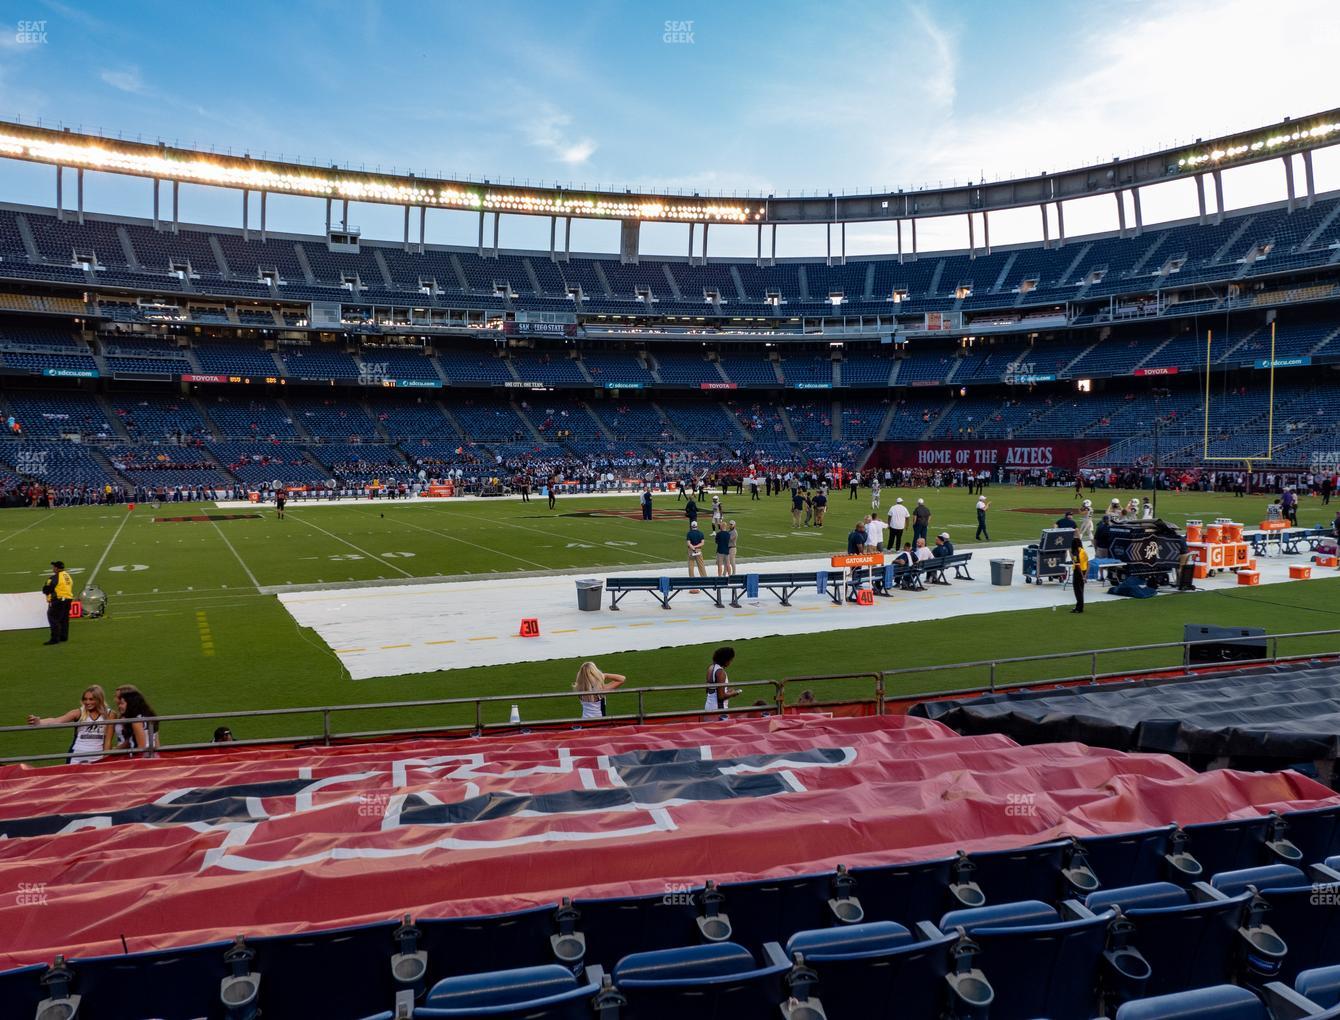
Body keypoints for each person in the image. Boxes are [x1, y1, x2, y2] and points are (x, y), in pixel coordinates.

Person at [27, 685, 114, 764]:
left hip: (97, 756)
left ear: (99, 699)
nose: (87, 702)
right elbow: (57, 720)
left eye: (91, 699)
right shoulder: (78, 713)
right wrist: (39, 722)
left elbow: (108, 740)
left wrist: (105, 759)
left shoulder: (110, 714)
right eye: (85, 699)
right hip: (76, 755)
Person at [113, 686, 159, 758]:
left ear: (130, 704)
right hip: (153, 757)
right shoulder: (149, 716)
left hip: (140, 761)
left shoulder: (136, 721)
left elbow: (141, 748)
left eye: (122, 703)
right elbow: (157, 744)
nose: (119, 706)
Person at [42, 559, 74, 646]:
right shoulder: (67, 576)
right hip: (68, 599)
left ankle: (55, 638)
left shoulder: (54, 578)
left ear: (56, 568)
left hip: (59, 599)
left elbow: (46, 589)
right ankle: (63, 636)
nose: (53, 568)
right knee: (64, 619)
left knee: (53, 618)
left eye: (53, 567)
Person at [704, 646, 740, 714]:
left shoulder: (710, 668)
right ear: (726, 660)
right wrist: (734, 693)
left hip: (708, 707)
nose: (731, 662)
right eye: (731, 660)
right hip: (719, 710)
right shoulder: (721, 672)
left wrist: (726, 691)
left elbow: (709, 690)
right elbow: (721, 697)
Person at [1070, 536, 1089, 614]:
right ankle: (1079, 606)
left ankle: (1079, 608)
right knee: (1081, 590)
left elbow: (1077, 566)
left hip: (1078, 573)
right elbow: (1088, 564)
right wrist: (1085, 575)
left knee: (1078, 591)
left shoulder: (1075, 553)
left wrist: (1082, 576)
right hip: (1084, 571)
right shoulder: (1083, 551)